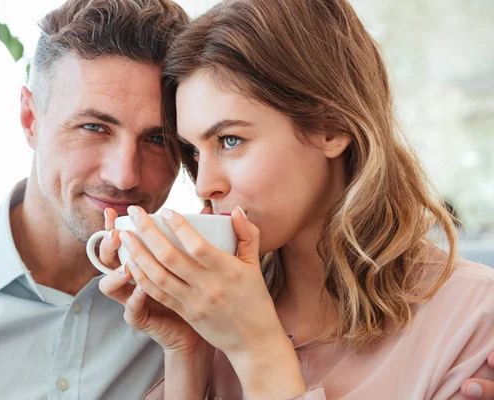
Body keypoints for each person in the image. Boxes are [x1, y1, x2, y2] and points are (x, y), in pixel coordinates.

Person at [99, 0, 494, 398]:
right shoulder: (209, 314)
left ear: (331, 127)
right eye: (195, 151)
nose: (204, 185)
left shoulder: (472, 318)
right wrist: (187, 351)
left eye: (231, 140)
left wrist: (258, 351)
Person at [0, 0, 188, 398]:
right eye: (94, 127)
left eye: (157, 139)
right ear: (30, 120)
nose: (124, 175)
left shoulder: (194, 306)